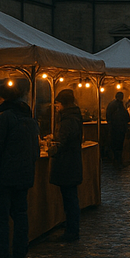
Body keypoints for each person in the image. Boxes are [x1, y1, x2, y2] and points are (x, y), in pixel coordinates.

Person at [0, 80, 40, 258]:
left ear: (4, 98)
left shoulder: (1, 119)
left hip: (2, 179)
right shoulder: (29, 120)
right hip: (23, 177)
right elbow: (35, 151)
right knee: (21, 216)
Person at [50, 88, 84, 242]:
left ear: (62, 104)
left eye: (57, 104)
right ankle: (72, 229)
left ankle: (71, 231)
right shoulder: (74, 117)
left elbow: (62, 142)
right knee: (71, 198)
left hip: (67, 164)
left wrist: (51, 149)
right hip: (72, 162)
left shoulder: (68, 120)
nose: (56, 107)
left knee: (69, 199)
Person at [104, 90, 130, 167]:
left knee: (115, 144)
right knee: (118, 144)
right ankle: (118, 160)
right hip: (118, 127)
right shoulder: (118, 105)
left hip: (115, 127)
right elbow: (124, 115)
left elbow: (108, 115)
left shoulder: (112, 104)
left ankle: (117, 160)